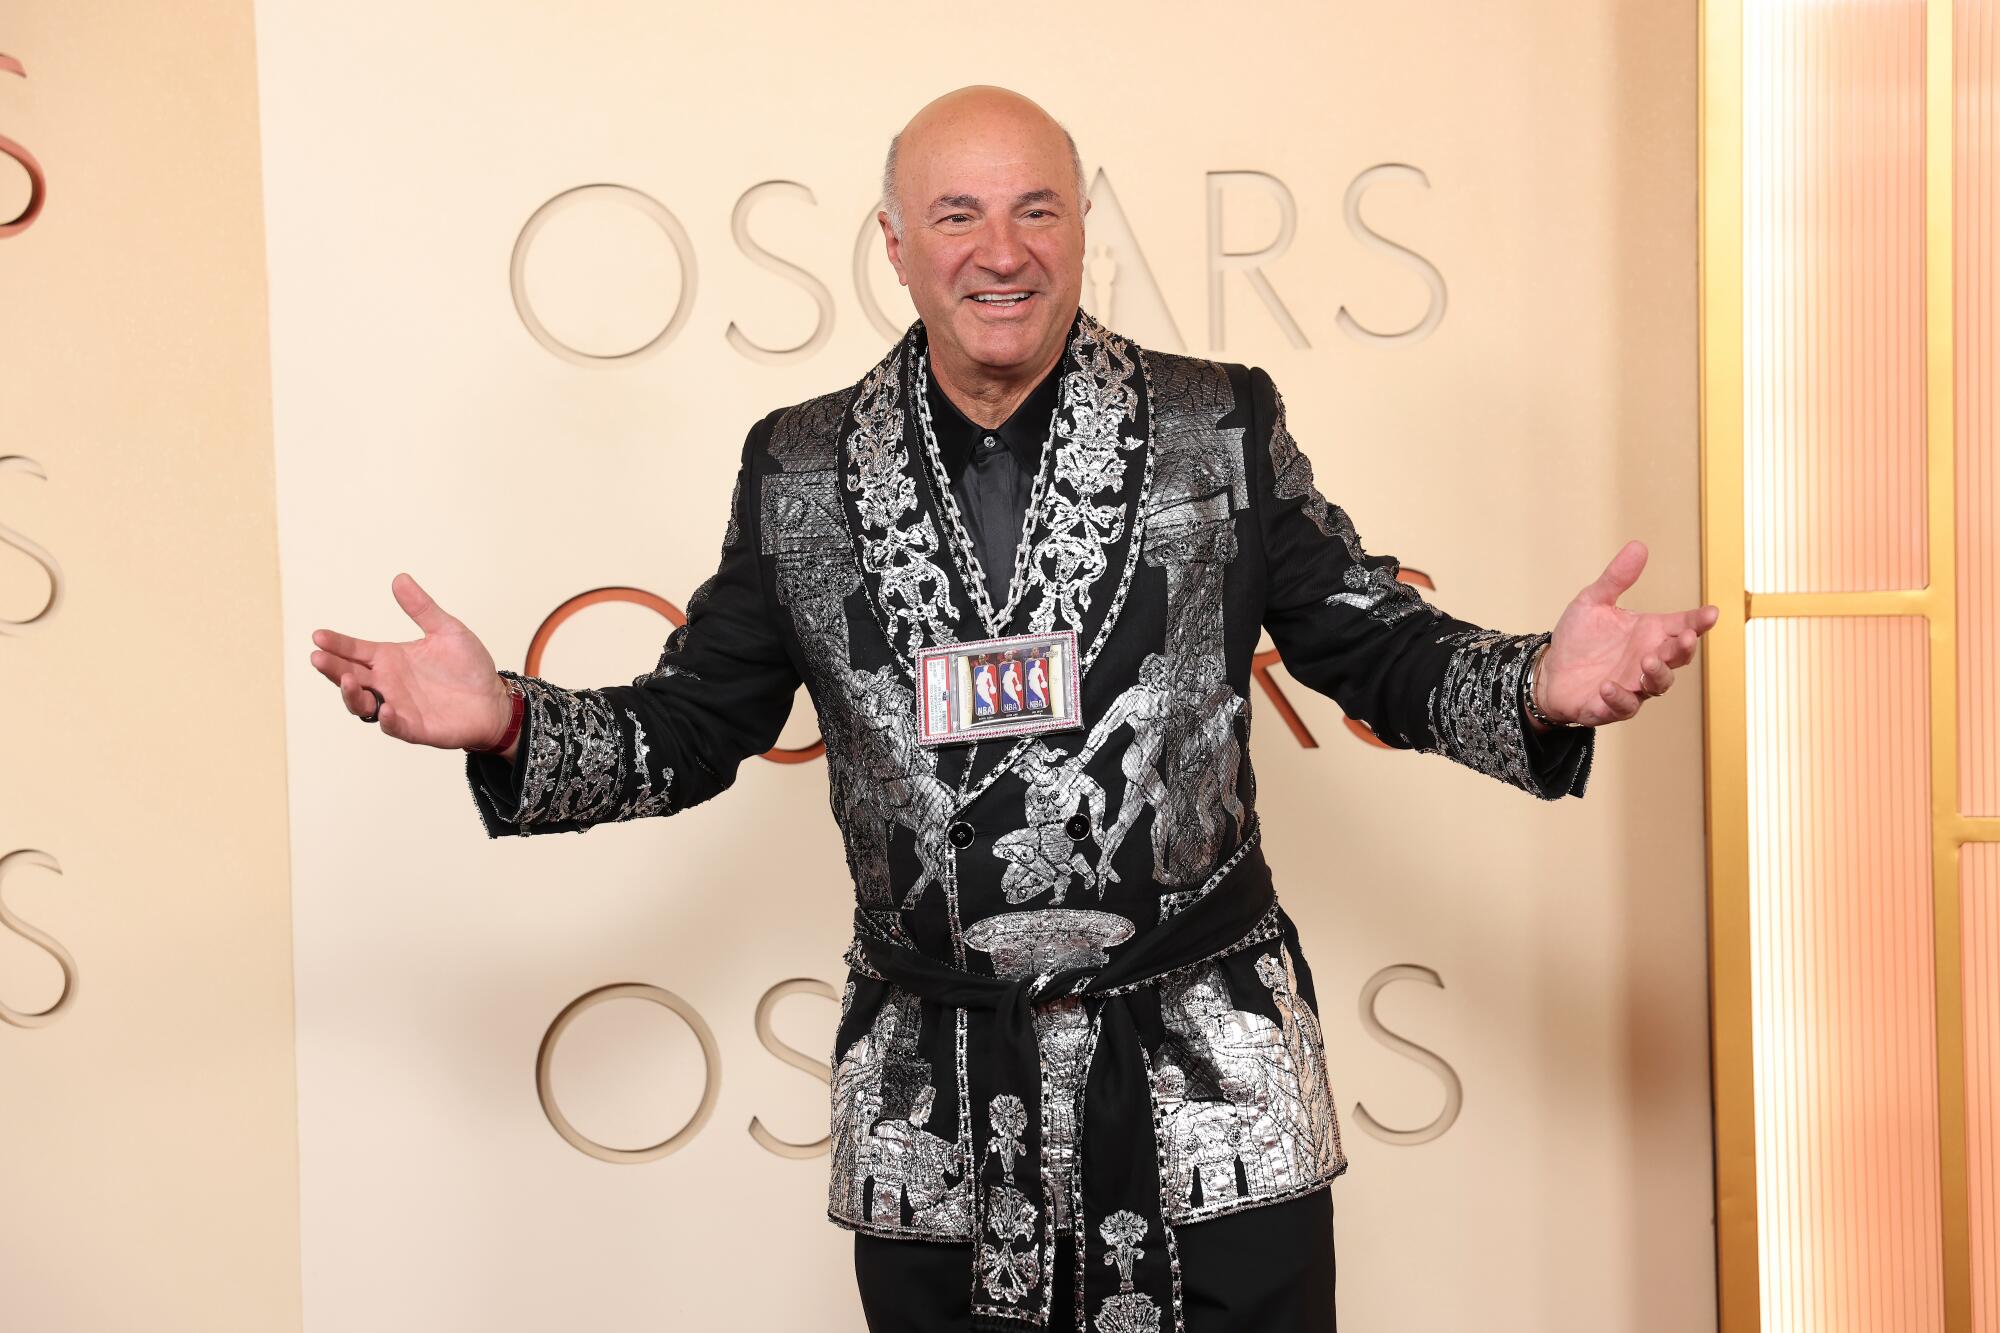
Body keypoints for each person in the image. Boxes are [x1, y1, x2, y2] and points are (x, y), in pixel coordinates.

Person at [308, 85, 1716, 1333]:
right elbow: (690, 728)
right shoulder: (800, 470)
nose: (1002, 249)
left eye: (1037, 208)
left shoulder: (1216, 426)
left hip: (1208, 1064)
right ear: (895, 243)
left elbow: (1378, 648)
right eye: (960, 213)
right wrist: (504, 723)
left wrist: (1537, 680)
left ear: (1083, 229)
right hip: (935, 1083)